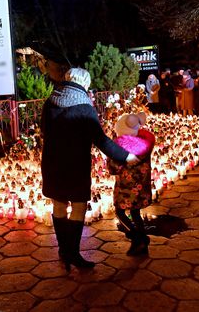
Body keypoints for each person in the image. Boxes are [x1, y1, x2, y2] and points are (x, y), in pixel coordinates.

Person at [41, 67, 139, 271]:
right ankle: (73, 253)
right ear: (83, 84)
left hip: (52, 163)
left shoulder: (50, 103)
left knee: (58, 205)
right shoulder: (84, 107)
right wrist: (125, 156)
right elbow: (101, 140)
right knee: (78, 206)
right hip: (75, 165)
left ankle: (63, 250)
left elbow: (44, 131)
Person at [108, 112, 155, 256]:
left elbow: (114, 168)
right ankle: (140, 246)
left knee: (120, 212)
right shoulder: (145, 144)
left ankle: (138, 238)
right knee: (135, 213)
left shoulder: (122, 148)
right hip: (141, 187)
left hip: (126, 188)